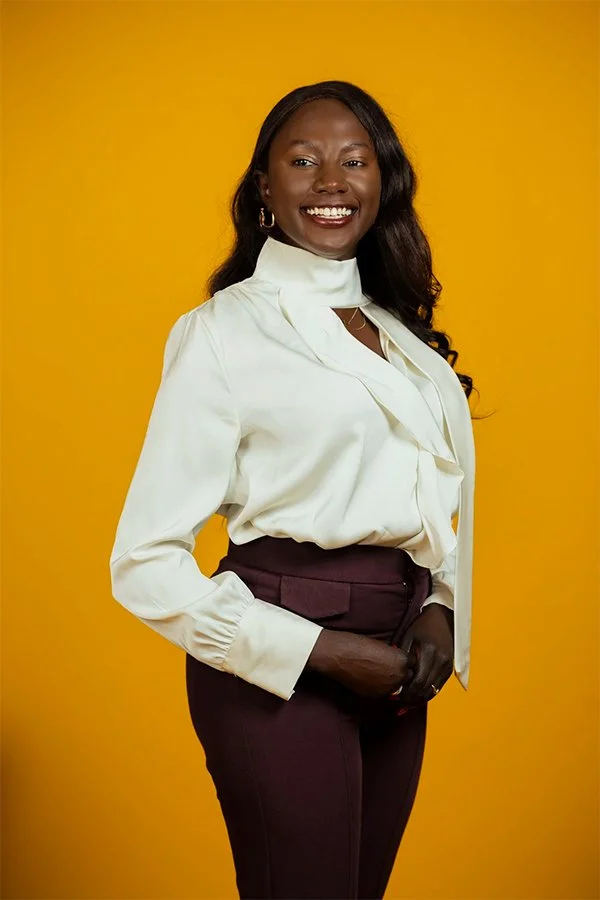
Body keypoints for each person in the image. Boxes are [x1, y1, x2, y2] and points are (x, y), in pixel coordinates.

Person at [109, 80, 477, 900]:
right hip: (276, 657)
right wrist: (324, 652)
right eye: (304, 161)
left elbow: (425, 497)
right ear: (265, 190)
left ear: (383, 181)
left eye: (354, 161)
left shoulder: (400, 335)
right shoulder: (223, 332)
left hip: (401, 658)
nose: (331, 181)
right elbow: (143, 562)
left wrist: (442, 604)